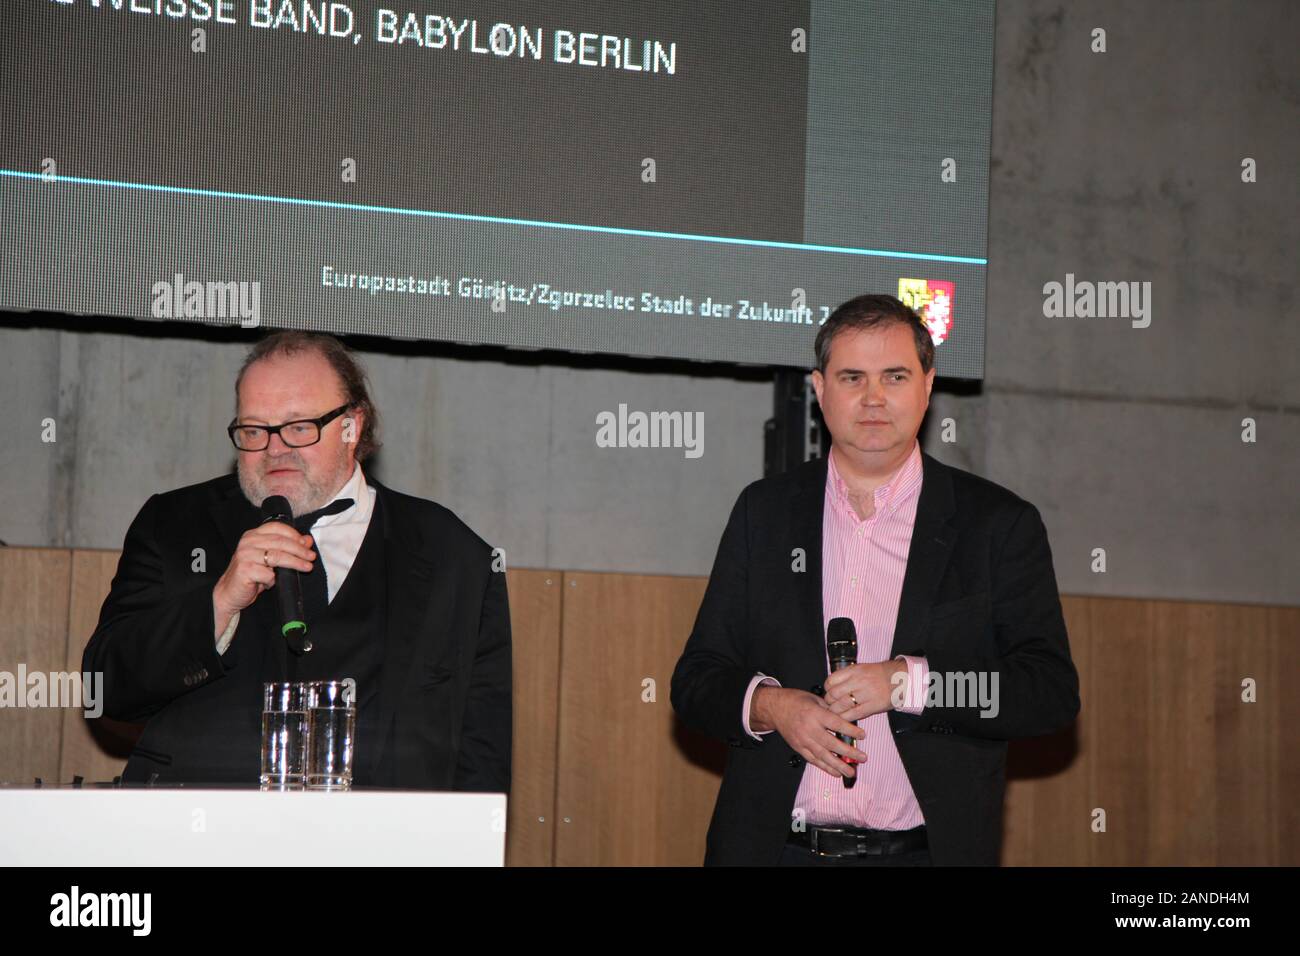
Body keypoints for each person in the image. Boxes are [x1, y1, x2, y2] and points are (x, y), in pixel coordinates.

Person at [671, 294, 1079, 865]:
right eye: (852, 377)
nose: (873, 398)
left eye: (894, 376)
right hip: (774, 851)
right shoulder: (763, 512)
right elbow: (696, 681)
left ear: (928, 385)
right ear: (819, 389)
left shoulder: (997, 525)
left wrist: (908, 685)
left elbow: (1047, 693)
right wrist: (772, 706)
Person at [84, 331, 511, 792]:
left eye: (299, 426)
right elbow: (103, 689)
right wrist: (218, 604)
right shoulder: (173, 524)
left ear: (353, 425)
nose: (274, 448)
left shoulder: (454, 554)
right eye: (253, 430)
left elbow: (480, 751)